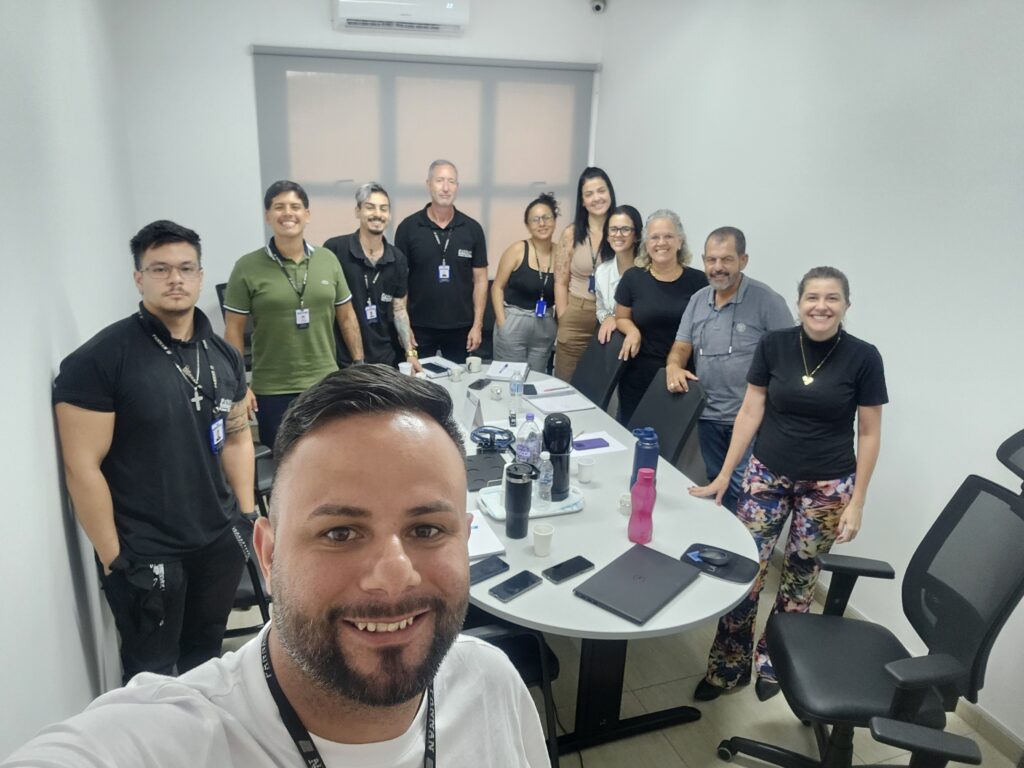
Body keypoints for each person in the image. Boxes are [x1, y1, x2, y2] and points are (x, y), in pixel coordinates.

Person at [8, 366, 551, 767]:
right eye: (340, 533)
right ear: (268, 555)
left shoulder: (491, 684)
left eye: (427, 530)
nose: (393, 574)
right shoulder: (167, 742)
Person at [52, 220, 255, 684]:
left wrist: (245, 516)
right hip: (146, 554)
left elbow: (237, 435)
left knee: (206, 658)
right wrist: (114, 560)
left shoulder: (222, 354)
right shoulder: (99, 360)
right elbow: (82, 467)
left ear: (201, 276)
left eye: (186, 268)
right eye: (160, 269)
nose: (175, 279)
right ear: (138, 278)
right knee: (152, 677)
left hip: (217, 541)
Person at [689, 266, 887, 703]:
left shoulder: (864, 357)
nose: (821, 306)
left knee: (800, 579)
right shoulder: (775, 345)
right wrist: (725, 474)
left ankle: (775, 663)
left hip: (828, 487)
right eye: (812, 297)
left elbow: (870, 433)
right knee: (745, 571)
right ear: (799, 303)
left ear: (846, 305)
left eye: (832, 298)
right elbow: (750, 410)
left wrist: (857, 501)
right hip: (767, 474)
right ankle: (727, 668)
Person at [223, 180, 364, 452]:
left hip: (325, 382)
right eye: (279, 207)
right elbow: (233, 332)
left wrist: (358, 365)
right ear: (267, 215)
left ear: (307, 214)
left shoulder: (327, 260)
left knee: (329, 456)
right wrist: (239, 386)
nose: (288, 213)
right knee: (283, 461)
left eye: (295, 207)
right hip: (273, 389)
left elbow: (347, 317)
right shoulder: (246, 267)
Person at [665, 227, 793, 512]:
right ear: (703, 260)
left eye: (726, 259)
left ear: (743, 260)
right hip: (707, 417)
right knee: (716, 486)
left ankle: (743, 541)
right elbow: (681, 346)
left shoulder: (767, 301)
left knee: (744, 492)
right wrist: (673, 365)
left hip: (750, 422)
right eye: (711, 260)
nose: (718, 267)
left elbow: (790, 359)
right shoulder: (698, 300)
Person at [613, 209, 708, 424]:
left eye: (668, 236)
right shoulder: (633, 278)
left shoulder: (699, 282)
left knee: (670, 437)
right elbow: (621, 317)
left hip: (680, 375)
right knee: (632, 434)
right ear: (646, 243)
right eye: (654, 237)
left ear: (680, 241)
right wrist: (632, 330)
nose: (661, 243)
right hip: (637, 375)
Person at [394, 159, 488, 364]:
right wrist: (405, 327)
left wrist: (477, 325)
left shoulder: (472, 229)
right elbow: (400, 282)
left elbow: (481, 280)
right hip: (419, 327)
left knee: (460, 379)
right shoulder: (408, 228)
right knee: (418, 380)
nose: (445, 188)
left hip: (461, 328)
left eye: (451, 182)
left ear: (457, 187)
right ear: (428, 184)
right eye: (439, 180)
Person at [323, 182, 421, 372]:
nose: (377, 214)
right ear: (357, 211)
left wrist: (410, 353)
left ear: (389, 215)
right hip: (343, 361)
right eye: (370, 207)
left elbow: (399, 309)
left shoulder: (397, 258)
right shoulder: (335, 250)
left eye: (383, 209)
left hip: (385, 359)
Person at [553, 167, 616, 382]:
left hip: (612, 317)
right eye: (589, 194)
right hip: (577, 311)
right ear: (582, 201)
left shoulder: (621, 231)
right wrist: (564, 316)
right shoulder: (571, 234)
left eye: (601, 191)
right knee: (566, 382)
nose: (596, 198)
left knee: (601, 384)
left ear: (610, 193)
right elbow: (560, 281)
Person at [490, 193, 559, 372]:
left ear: (554, 220)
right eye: (535, 219)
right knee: (509, 377)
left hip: (544, 324)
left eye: (546, 217)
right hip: (514, 321)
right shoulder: (517, 250)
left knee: (537, 378)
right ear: (528, 225)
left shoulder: (562, 254)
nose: (542, 223)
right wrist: (502, 323)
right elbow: (497, 287)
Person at [594, 204, 643, 345]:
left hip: (642, 340)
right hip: (612, 342)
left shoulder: (647, 272)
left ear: (636, 235)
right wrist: (607, 318)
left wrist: (618, 320)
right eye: (613, 229)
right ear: (607, 236)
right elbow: (600, 307)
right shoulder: (602, 271)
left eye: (625, 229)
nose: (618, 235)